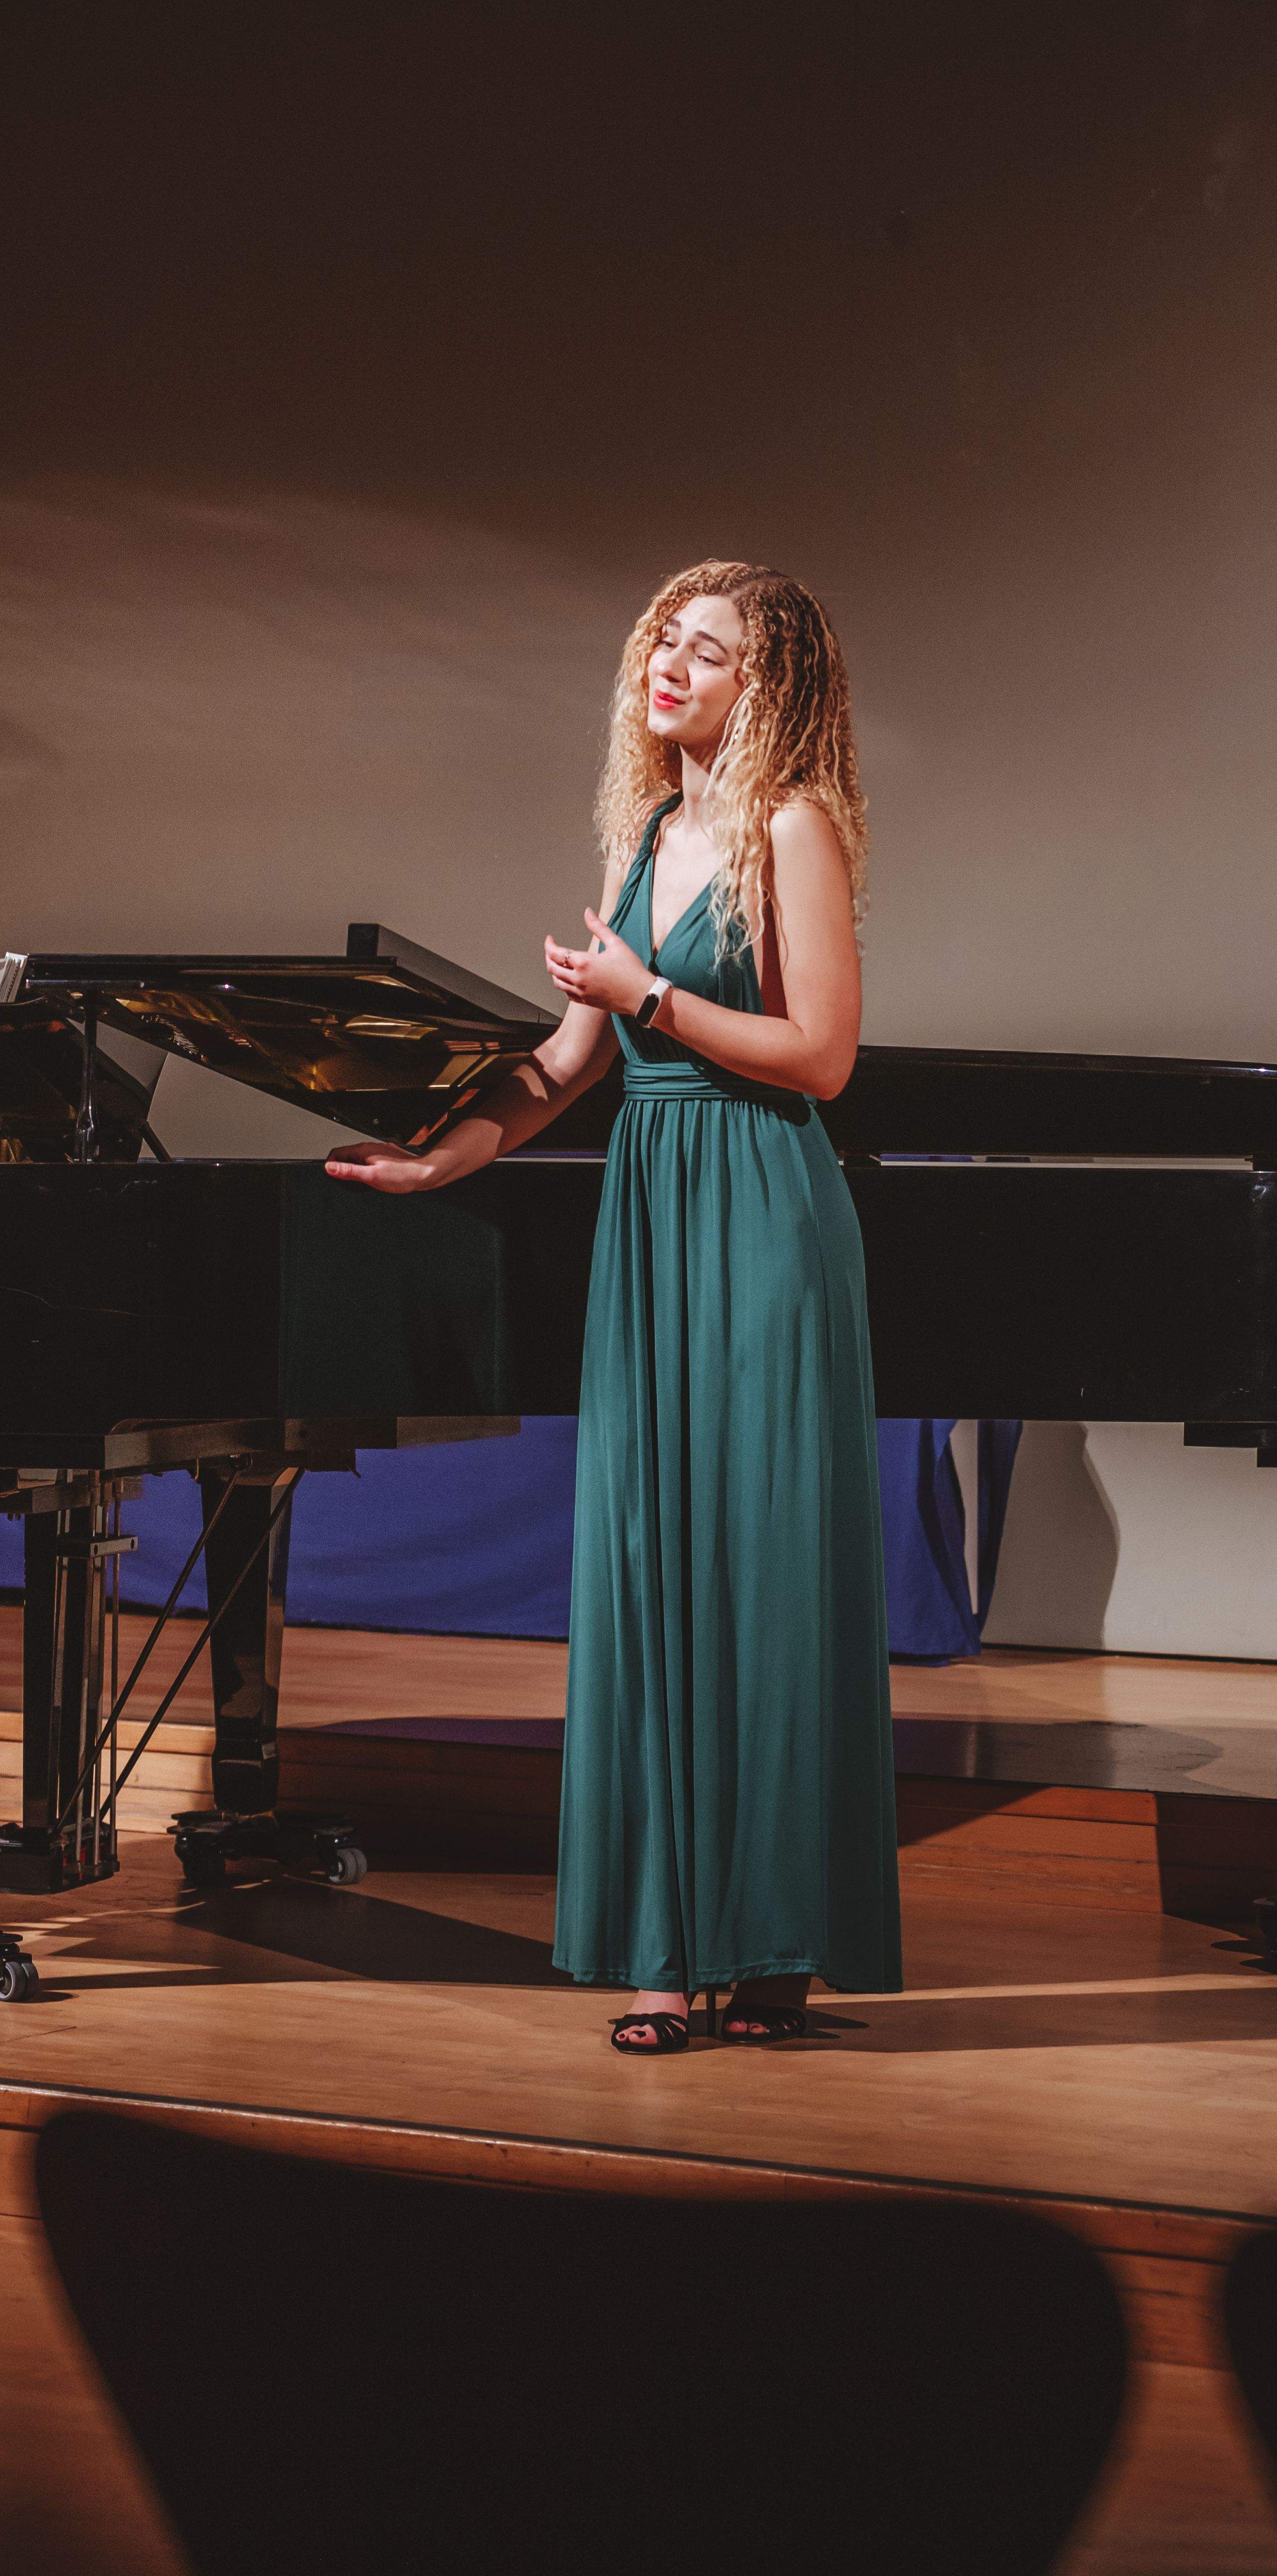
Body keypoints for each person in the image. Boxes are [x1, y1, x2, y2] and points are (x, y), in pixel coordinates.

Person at [327, 562, 901, 2051]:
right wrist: (439, 1155)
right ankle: (661, 1952)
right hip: (652, 1217)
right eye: (664, 640)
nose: (670, 665)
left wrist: (651, 998)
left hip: (767, 1216)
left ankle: (772, 1948)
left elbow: (824, 1055)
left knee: (765, 1570)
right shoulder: (649, 832)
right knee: (650, 1571)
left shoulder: (796, 827)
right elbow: (564, 1067)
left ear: (764, 687)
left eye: (706, 651)